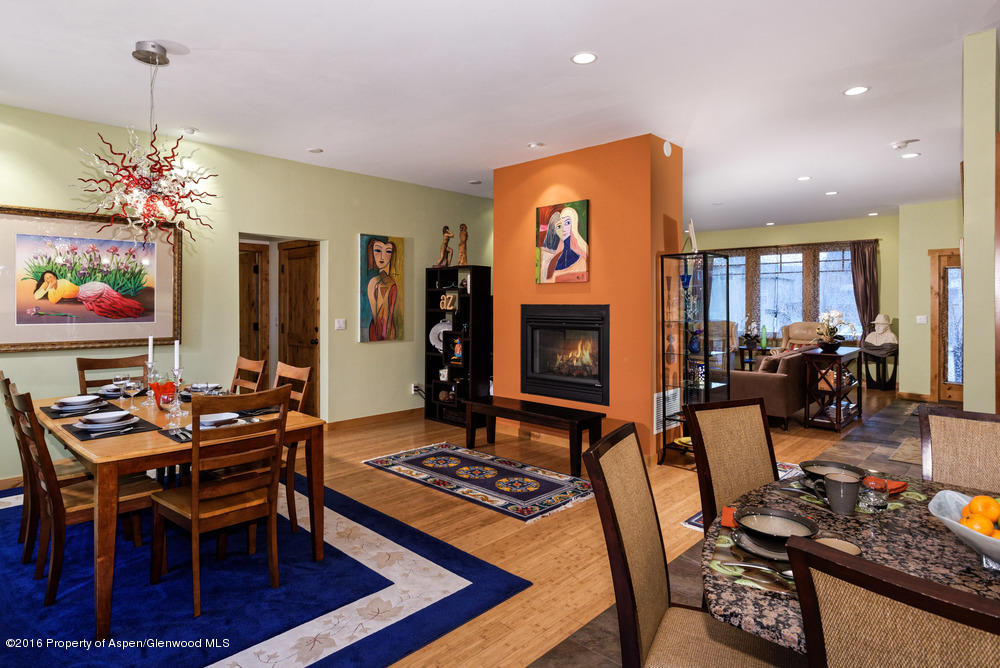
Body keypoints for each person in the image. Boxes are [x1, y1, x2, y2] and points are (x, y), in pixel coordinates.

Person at [538, 207, 588, 282]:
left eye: (567, 223)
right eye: (559, 226)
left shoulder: (582, 258)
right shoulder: (554, 259)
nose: (563, 228)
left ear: (573, 224)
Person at [366, 237, 398, 341]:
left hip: (390, 329)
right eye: (377, 250)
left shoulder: (392, 282)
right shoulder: (373, 282)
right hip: (377, 329)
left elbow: (390, 312)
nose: (382, 257)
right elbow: (376, 315)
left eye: (388, 251)